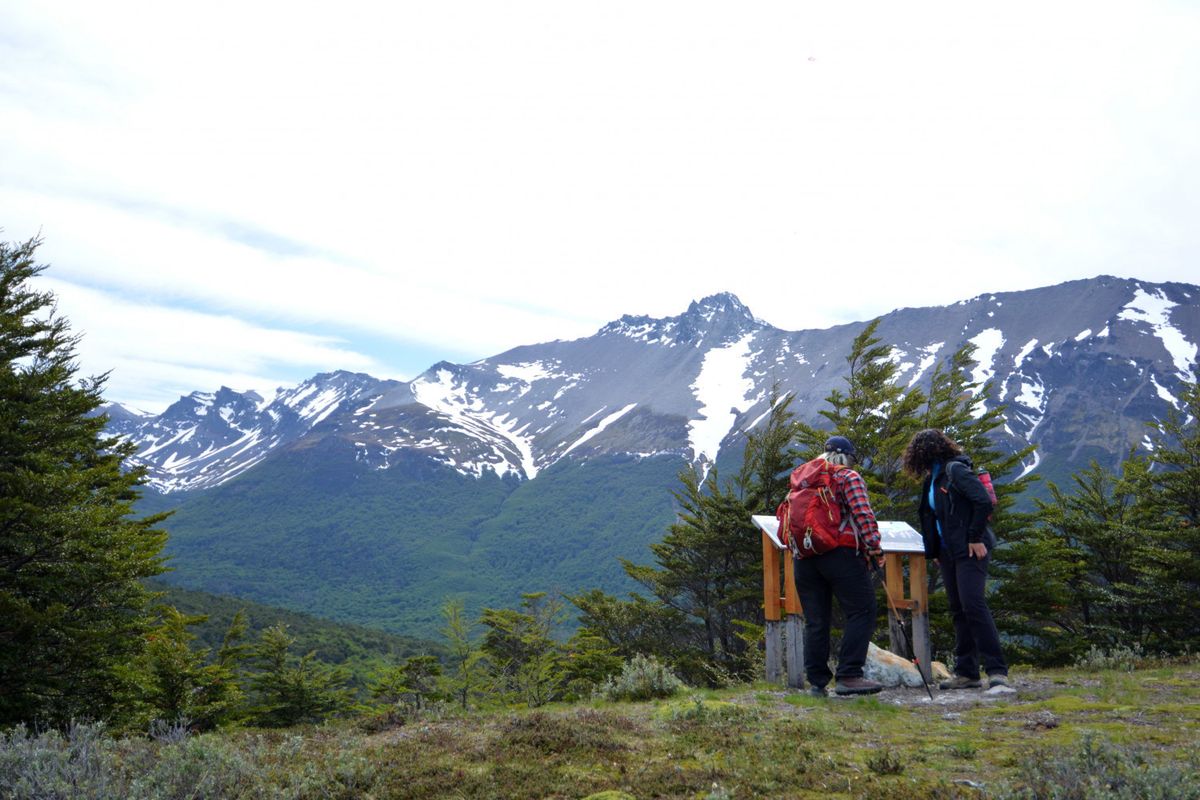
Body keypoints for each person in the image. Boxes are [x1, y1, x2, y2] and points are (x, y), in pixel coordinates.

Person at [902, 429, 1009, 690]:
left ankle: (997, 671)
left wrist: (975, 537)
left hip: (971, 548)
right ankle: (967, 672)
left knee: (973, 605)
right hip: (949, 552)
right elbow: (933, 516)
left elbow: (982, 502)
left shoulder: (955, 471)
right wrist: (937, 550)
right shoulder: (934, 477)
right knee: (959, 609)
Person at [789, 435, 885, 696]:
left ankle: (817, 683)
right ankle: (850, 675)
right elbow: (862, 514)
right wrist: (874, 546)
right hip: (839, 553)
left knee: (816, 621)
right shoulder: (847, 476)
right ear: (848, 456)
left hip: (804, 557)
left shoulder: (802, 479)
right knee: (862, 610)